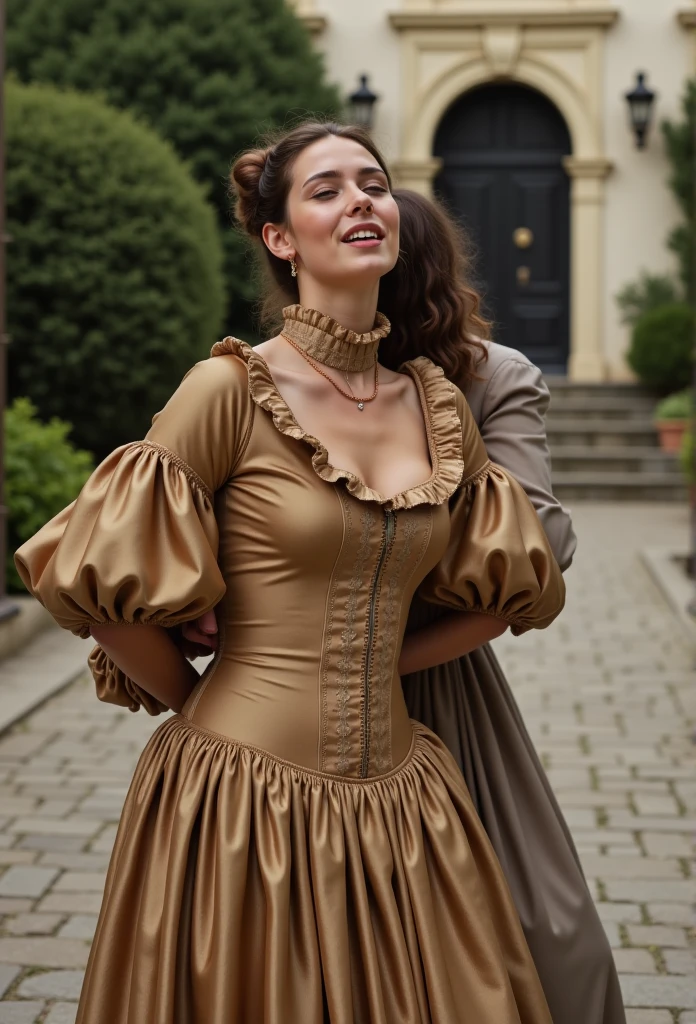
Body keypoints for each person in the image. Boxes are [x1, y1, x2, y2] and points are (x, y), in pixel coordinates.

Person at [16, 121, 566, 1023]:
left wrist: (379, 665)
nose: (362, 200)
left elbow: (506, 596)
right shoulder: (226, 391)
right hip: (237, 801)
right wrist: (197, 705)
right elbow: (93, 585)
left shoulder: (436, 406)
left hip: (406, 797)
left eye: (375, 184)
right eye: (327, 189)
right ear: (280, 238)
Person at [183, 189, 627, 1023]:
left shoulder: (487, 379)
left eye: (387, 244)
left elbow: (542, 546)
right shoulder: (256, 383)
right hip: (277, 705)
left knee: (539, 928)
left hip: (435, 673)